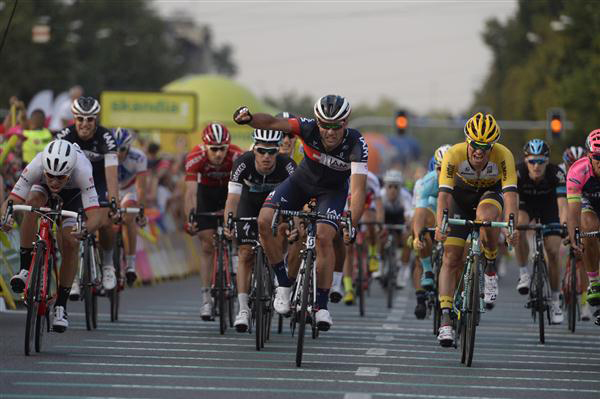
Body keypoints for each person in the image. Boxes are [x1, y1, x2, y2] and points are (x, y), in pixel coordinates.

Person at [233, 94, 368, 331]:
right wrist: (251, 118)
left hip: (332, 193)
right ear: (317, 121)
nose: (329, 132)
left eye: (336, 126)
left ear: (345, 123)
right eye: (325, 125)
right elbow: (273, 123)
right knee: (264, 221)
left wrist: (352, 223)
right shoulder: (307, 128)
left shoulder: (356, 143)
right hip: (300, 184)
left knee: (325, 237)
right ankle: (283, 283)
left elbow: (357, 191)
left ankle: (322, 306)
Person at [435, 112, 519, 347]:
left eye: (485, 146)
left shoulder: (504, 156)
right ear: (467, 141)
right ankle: (445, 317)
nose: (479, 151)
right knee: (451, 258)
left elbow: (511, 194)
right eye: (474, 145)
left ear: (493, 145)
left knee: (485, 218)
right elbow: (444, 195)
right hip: (460, 199)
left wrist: (511, 224)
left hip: (489, 195)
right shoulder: (454, 154)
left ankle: (490, 265)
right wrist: (441, 223)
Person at [2, 140, 104, 332]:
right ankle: (25, 270)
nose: (55, 182)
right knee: (31, 204)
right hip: (42, 191)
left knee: (71, 242)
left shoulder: (82, 170)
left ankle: (61, 306)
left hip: (73, 197)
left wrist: (84, 230)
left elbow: (96, 216)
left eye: (61, 177)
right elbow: (12, 201)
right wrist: (5, 218)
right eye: (51, 176)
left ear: (70, 172)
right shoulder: (38, 164)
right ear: (45, 169)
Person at [223, 128, 297, 332]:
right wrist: (228, 222)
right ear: (254, 149)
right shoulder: (242, 163)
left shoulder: (288, 165)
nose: (267, 156)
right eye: (262, 151)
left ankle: (277, 271)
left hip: (276, 204)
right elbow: (232, 199)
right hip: (248, 202)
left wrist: (293, 225)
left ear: (278, 151)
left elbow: (297, 201)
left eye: (272, 151)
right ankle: (244, 309)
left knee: (282, 230)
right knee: (246, 252)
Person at [55, 96, 120, 293]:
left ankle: (108, 264)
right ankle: (71, 273)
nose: (85, 124)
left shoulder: (106, 137)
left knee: (107, 219)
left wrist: (114, 202)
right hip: (73, 182)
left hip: (98, 180)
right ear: (74, 118)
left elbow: (111, 174)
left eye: (90, 119)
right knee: (63, 223)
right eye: (80, 119)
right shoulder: (64, 135)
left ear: (96, 120)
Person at [184, 123, 243, 320]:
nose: (218, 154)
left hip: (230, 193)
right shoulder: (196, 156)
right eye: (214, 149)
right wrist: (190, 217)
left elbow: (244, 192)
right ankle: (206, 299)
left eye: (222, 149)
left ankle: (235, 258)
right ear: (205, 147)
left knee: (237, 231)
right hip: (206, 194)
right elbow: (191, 193)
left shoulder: (237, 156)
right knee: (207, 245)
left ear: (229, 147)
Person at [514, 139, 566, 324]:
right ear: (525, 161)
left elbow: (562, 204)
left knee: (552, 251)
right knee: (518, 226)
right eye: (532, 161)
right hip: (525, 205)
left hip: (549, 207)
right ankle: (523, 273)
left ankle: (555, 300)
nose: (536, 166)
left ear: (547, 161)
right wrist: (510, 223)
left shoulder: (557, 174)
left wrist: (564, 223)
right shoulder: (518, 172)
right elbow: (512, 202)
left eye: (541, 162)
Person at [411, 144, 450, 319]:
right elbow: (419, 213)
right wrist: (417, 235)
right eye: (440, 168)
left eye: (449, 168)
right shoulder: (427, 181)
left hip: (451, 216)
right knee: (420, 239)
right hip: (431, 216)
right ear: (435, 167)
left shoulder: (463, 180)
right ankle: (426, 273)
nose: (444, 173)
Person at [566, 130, 600, 312]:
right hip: (588, 203)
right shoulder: (578, 170)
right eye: (598, 157)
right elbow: (573, 212)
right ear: (589, 155)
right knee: (588, 226)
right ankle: (594, 282)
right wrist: (574, 236)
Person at [341, 170, 384, 305]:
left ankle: (372, 253)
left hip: (366, 205)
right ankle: (348, 289)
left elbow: (378, 205)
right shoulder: (343, 175)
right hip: (346, 205)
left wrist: (379, 224)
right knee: (347, 248)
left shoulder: (371, 179)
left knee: (370, 221)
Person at [113, 127, 148, 286]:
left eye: (122, 149)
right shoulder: (103, 155)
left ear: (128, 148)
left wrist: (141, 210)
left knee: (129, 218)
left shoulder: (138, 157)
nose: (118, 153)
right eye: (115, 149)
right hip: (110, 190)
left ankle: (130, 264)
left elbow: (141, 187)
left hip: (129, 190)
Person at [380, 169, 414, 289]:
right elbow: (377, 214)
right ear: (386, 186)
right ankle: (381, 262)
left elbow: (409, 214)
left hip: (400, 218)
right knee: (379, 235)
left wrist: (408, 224)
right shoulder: (381, 194)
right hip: (386, 217)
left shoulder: (405, 195)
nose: (393, 190)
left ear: (400, 187)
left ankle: (402, 270)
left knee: (408, 236)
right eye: (390, 186)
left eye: (396, 187)